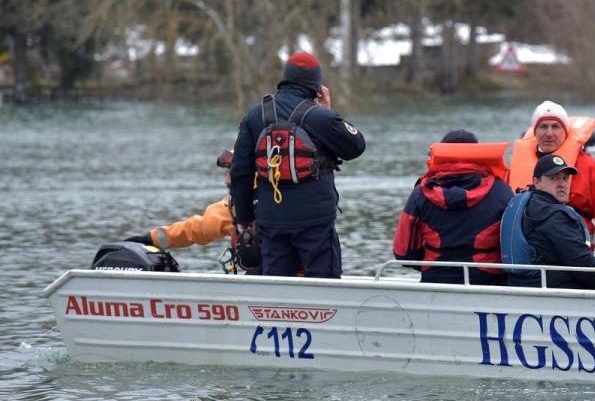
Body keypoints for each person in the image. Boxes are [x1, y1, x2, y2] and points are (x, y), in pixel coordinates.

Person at [229, 51, 366, 279]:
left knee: (276, 288)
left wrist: (244, 220)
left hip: (271, 223)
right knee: (324, 288)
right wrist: (329, 114)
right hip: (315, 222)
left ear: (284, 79)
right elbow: (356, 146)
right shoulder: (320, 117)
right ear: (316, 86)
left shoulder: (254, 116)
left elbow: (240, 172)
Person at [392, 130, 513, 285]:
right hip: (488, 284)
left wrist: (433, 263)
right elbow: (513, 248)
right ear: (478, 154)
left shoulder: (421, 193)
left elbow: (403, 252)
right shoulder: (501, 192)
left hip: (436, 282)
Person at [123, 147, 261, 274]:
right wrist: (150, 239)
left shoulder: (237, 208)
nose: (226, 181)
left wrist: (150, 239)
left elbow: (193, 230)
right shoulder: (232, 208)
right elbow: (193, 230)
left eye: (231, 172)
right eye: (227, 173)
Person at [501, 154, 595, 290]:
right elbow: (582, 264)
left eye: (565, 178)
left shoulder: (526, 204)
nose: (562, 184)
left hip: (520, 284)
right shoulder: (554, 216)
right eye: (553, 178)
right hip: (552, 292)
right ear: (536, 182)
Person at [509, 100, 595, 241]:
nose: (549, 133)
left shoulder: (593, 169)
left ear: (565, 131)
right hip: (528, 254)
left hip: (574, 256)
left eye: (556, 127)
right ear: (534, 131)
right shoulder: (516, 167)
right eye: (543, 127)